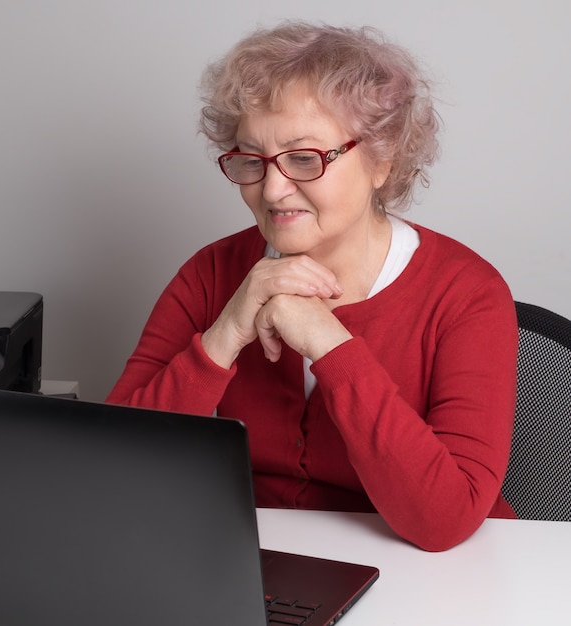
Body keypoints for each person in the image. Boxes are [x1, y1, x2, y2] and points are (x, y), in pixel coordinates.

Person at [106, 21, 518, 551]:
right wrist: (226, 333)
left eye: (305, 158)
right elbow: (112, 471)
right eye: (251, 161)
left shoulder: (466, 294)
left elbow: (444, 521)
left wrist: (331, 345)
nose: (273, 189)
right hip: (256, 568)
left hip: (428, 574)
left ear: (381, 160)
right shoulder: (211, 274)